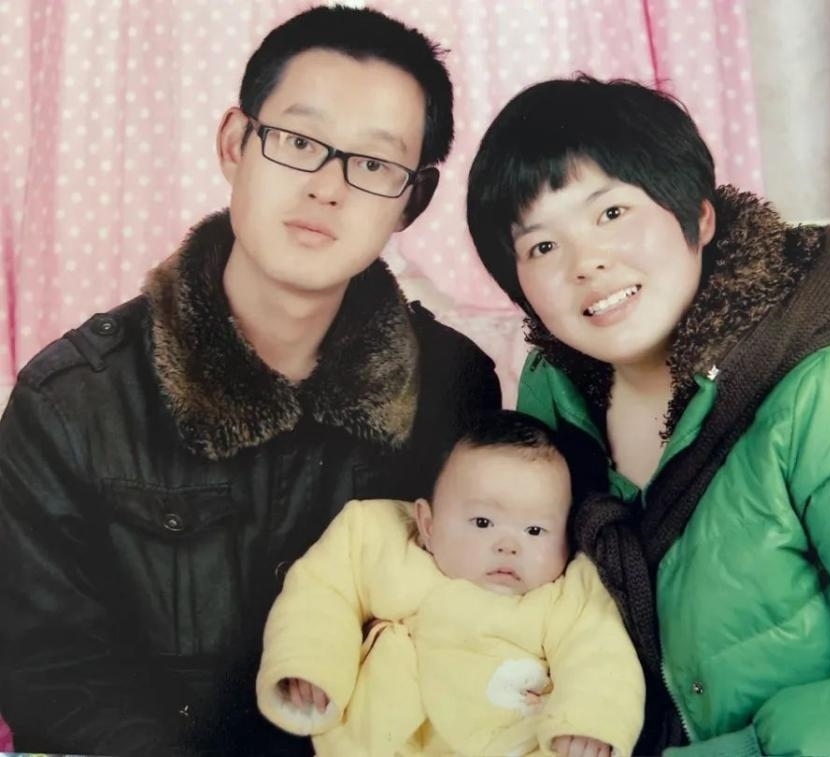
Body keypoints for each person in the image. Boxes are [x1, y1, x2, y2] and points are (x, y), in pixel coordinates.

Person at [0, 6, 500, 755]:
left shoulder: (455, 386)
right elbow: (52, 669)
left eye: (373, 164)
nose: (327, 188)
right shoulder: (72, 400)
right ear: (235, 143)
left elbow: (479, 628)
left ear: (413, 199)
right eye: (298, 142)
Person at [466, 75, 830, 756]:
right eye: (542, 246)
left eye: (611, 213)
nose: (587, 264)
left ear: (698, 217)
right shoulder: (553, 389)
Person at [255, 410, 644, 757]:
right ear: (427, 524)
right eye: (483, 522)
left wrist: (588, 724)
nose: (509, 546)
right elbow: (321, 593)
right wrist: (309, 665)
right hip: (378, 741)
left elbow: (600, 655)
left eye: (535, 530)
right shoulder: (381, 540)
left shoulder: (567, 594)